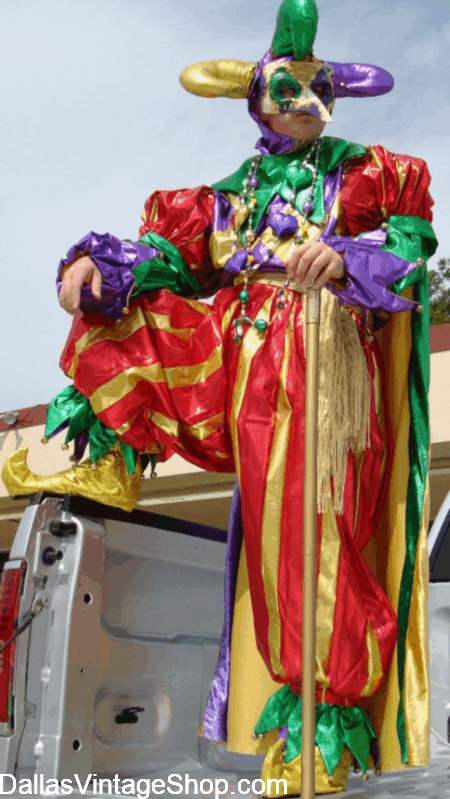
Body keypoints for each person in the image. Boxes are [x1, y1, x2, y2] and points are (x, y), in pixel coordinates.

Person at [2, 0, 437, 793]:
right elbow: (171, 255)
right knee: (123, 315)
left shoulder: (370, 172)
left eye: (316, 87)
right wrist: (98, 268)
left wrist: (345, 258)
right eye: (284, 85)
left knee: (309, 540)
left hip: (324, 368)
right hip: (240, 363)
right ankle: (115, 460)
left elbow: (411, 246)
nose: (302, 101)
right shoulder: (231, 194)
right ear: (255, 97)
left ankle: (319, 734)